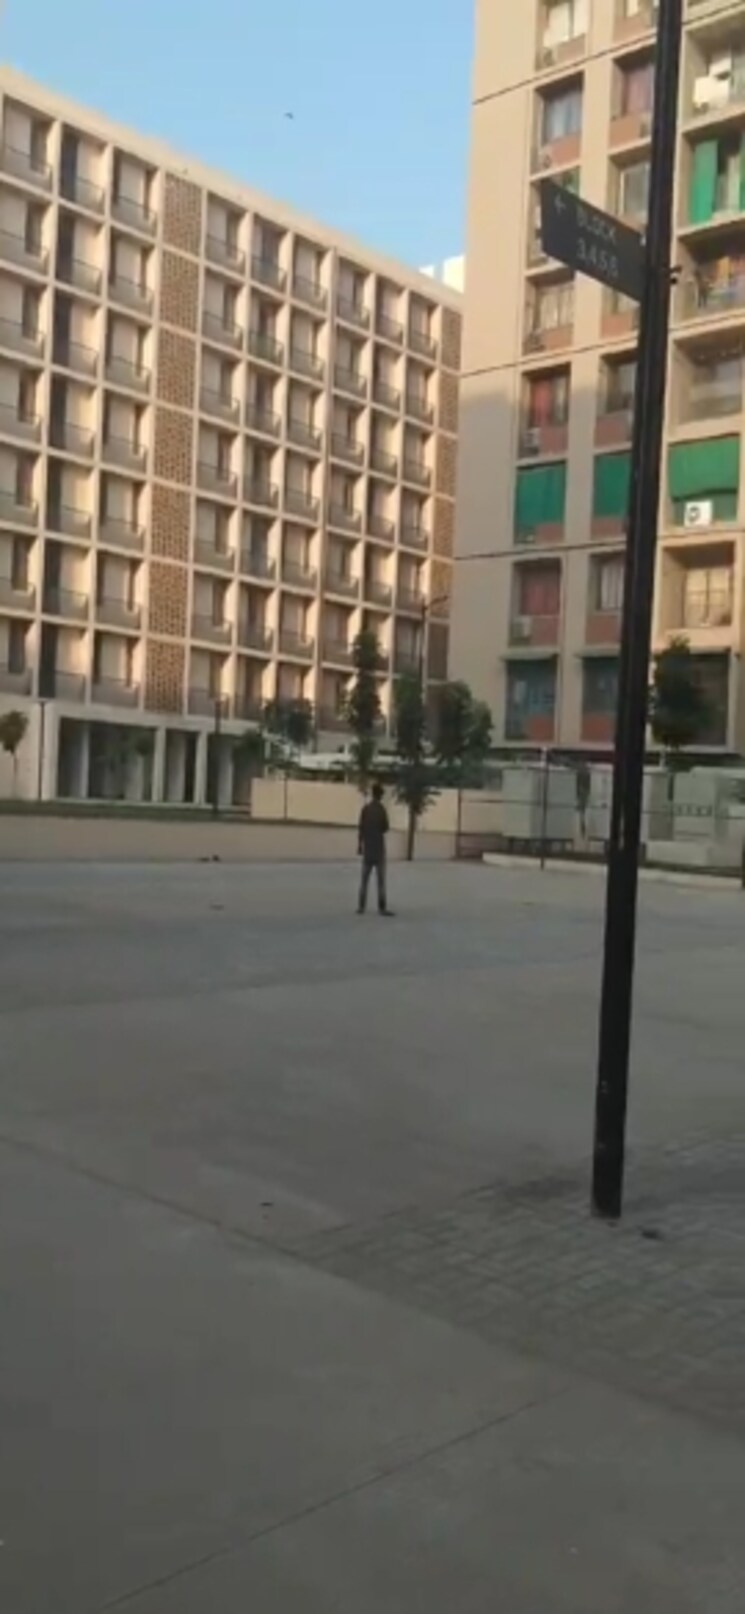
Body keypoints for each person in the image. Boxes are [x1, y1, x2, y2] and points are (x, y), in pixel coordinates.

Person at [357, 782, 392, 915]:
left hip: (368, 849)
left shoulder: (365, 809)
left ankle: (361, 906)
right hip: (379, 849)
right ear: (380, 795)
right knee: (381, 881)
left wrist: (360, 845)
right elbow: (385, 828)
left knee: (364, 880)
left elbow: (361, 828)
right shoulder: (381, 810)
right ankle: (382, 907)